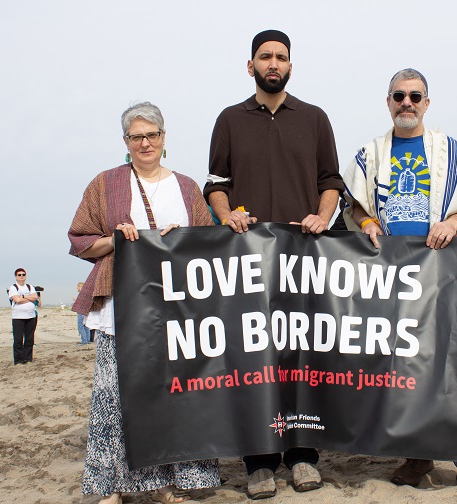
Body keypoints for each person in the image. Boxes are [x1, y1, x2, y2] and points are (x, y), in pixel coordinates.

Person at [342, 68, 457, 493]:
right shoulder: (370, 153)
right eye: (398, 96)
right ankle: (418, 455)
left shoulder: (450, 150)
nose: (406, 103)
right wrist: (369, 220)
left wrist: (453, 222)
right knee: (403, 367)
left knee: (455, 364)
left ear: (427, 103)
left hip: (441, 269)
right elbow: (354, 207)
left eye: (415, 96)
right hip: (391, 273)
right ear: (388, 102)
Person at [203, 30, 343, 499]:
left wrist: (323, 217)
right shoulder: (229, 119)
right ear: (251, 66)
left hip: (304, 259)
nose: (274, 63)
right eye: (265, 56)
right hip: (247, 262)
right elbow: (215, 184)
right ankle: (260, 461)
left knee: (303, 357)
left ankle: (303, 456)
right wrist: (228, 215)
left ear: (290, 65)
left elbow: (331, 181)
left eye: (281, 56)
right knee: (254, 359)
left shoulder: (315, 118)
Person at [69, 102, 219, 504]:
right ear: (126, 142)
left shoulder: (187, 188)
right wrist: (115, 238)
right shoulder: (105, 184)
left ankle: (169, 483)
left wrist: (183, 236)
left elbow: (210, 244)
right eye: (137, 136)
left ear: (164, 138)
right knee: (114, 397)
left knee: (173, 396)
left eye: (152, 134)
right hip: (122, 309)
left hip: (176, 311)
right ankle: (113, 487)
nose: (145, 142)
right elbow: (81, 241)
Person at [8, 268, 38, 365]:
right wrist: (28, 298)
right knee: (18, 339)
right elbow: (17, 300)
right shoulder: (13, 287)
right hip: (18, 317)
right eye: (19, 275)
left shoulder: (30, 287)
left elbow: (35, 297)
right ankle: (19, 360)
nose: (22, 276)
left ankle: (28, 358)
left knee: (29, 338)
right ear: (16, 277)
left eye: (23, 274)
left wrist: (24, 297)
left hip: (30, 316)